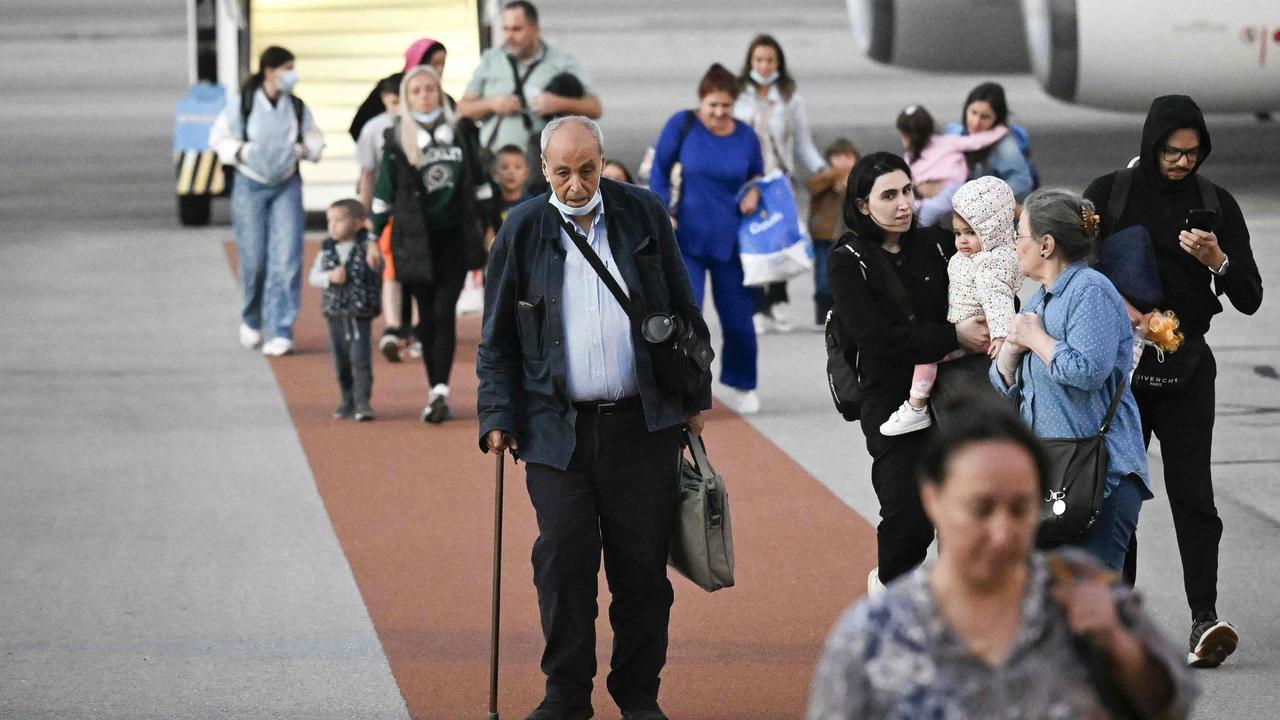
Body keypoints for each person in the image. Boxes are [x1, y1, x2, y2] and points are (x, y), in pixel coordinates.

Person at [477, 115, 711, 720]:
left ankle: (637, 695)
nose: (576, 184)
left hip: (643, 427)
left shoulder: (642, 213)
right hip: (556, 431)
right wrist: (497, 414)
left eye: (587, 170)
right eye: (562, 172)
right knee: (563, 566)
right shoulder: (523, 228)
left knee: (642, 576)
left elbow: (684, 308)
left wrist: (693, 396)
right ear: (543, 168)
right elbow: (496, 336)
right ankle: (565, 696)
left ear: (602, 162)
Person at [807, 397, 1197, 719]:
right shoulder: (874, 636)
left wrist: (1118, 646)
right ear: (932, 498)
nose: (1002, 532)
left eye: (1020, 508)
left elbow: (1174, 706)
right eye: (980, 508)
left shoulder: (1088, 596)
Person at [1084, 95, 1263, 668]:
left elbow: (1251, 297)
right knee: (1118, 493)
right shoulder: (1109, 193)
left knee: (1194, 496)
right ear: (1150, 144)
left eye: (1193, 153)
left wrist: (1218, 260)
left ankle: (1203, 618)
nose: (1183, 163)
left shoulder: (1216, 203)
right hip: (1122, 367)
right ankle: (1116, 616)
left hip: (1188, 367)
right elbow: (1069, 271)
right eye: (1172, 152)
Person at [827, 152, 990, 591]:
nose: (904, 204)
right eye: (889, 195)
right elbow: (878, 339)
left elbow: (985, 293)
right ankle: (889, 591)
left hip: (957, 391)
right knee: (907, 513)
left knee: (966, 512)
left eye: (908, 191)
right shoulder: (848, 259)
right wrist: (954, 335)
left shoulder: (938, 242)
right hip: (890, 400)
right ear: (863, 205)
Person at [989, 188, 1151, 572]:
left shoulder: (1090, 291)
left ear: (1045, 244)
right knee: (1051, 606)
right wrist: (1010, 355)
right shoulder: (1041, 298)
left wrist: (1037, 340)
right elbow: (1004, 386)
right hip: (1055, 473)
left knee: (1089, 607)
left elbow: (1086, 371)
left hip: (1098, 476)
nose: (1014, 244)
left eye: (1020, 235)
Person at [370, 66, 486, 424]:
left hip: (454, 236)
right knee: (425, 315)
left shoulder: (462, 133)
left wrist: (490, 226)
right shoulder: (396, 138)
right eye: (417, 91)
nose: (424, 96)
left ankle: (440, 390)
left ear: (440, 92)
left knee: (444, 310)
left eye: (430, 89)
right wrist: (374, 237)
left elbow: (480, 184)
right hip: (414, 240)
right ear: (407, 97)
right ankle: (433, 384)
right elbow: (382, 195)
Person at [649, 63, 764, 414]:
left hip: (731, 242)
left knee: (738, 321)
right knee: (687, 318)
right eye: (712, 104)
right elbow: (659, 170)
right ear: (701, 102)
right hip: (687, 239)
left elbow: (758, 175)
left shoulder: (746, 136)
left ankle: (741, 383)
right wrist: (662, 210)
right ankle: (684, 385)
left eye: (725, 105)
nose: (718, 112)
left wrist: (754, 193)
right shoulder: (681, 125)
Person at [880, 176, 1024, 436]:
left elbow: (998, 299)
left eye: (971, 233)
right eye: (958, 233)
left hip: (979, 330)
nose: (962, 241)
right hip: (966, 324)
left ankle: (916, 405)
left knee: (928, 354)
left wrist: (1001, 335)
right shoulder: (976, 257)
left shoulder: (990, 265)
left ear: (991, 230)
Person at [210, 45, 324, 356]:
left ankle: (281, 327)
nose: (291, 75)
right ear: (269, 71)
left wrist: (306, 149)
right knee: (255, 258)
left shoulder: (296, 107)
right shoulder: (244, 105)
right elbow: (219, 137)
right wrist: (241, 152)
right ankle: (252, 316)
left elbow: (313, 136)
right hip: (251, 184)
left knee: (287, 257)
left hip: (286, 184)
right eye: (286, 68)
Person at [732, 34, 827, 334]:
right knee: (750, 243)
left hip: (777, 180)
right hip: (744, 181)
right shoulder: (737, 95)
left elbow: (802, 142)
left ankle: (779, 299)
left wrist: (824, 169)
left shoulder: (789, 97)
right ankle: (757, 305)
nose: (763, 66)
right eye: (759, 60)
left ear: (778, 63)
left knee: (779, 238)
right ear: (750, 61)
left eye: (770, 60)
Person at [457, 1, 602, 157]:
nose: (509, 36)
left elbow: (594, 108)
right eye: (505, 29)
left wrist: (557, 103)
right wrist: (492, 104)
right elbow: (462, 109)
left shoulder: (560, 61)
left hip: (540, 163)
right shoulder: (491, 60)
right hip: (495, 162)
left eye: (517, 29)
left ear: (535, 29)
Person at [307, 199, 381, 421]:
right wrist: (329, 277)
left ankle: (362, 402)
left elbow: (378, 265)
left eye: (339, 221)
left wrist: (371, 240)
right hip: (335, 312)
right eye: (330, 221)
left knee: (360, 357)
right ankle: (346, 399)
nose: (333, 226)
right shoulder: (327, 249)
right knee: (341, 358)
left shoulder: (367, 246)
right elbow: (313, 277)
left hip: (359, 312)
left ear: (358, 223)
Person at [895, 104, 1008, 227]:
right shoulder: (910, 158)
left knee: (925, 215)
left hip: (953, 189)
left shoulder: (947, 142)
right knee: (916, 209)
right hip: (930, 196)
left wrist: (1000, 130)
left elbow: (977, 141)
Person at [944, 81, 1037, 203]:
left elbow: (1022, 183)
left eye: (985, 117)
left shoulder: (1005, 147)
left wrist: (985, 201)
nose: (976, 122)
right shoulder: (955, 133)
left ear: (997, 118)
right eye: (974, 113)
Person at [348, 38, 449, 143]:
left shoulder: (441, 97)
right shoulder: (390, 87)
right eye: (435, 63)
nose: (440, 69)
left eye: (443, 64)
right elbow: (358, 127)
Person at [806, 138, 859, 325]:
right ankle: (822, 313)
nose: (843, 160)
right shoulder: (823, 179)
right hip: (823, 236)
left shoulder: (857, 182)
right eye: (838, 156)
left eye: (848, 156)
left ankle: (842, 315)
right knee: (823, 280)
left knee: (846, 279)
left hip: (849, 238)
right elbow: (811, 185)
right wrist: (832, 176)